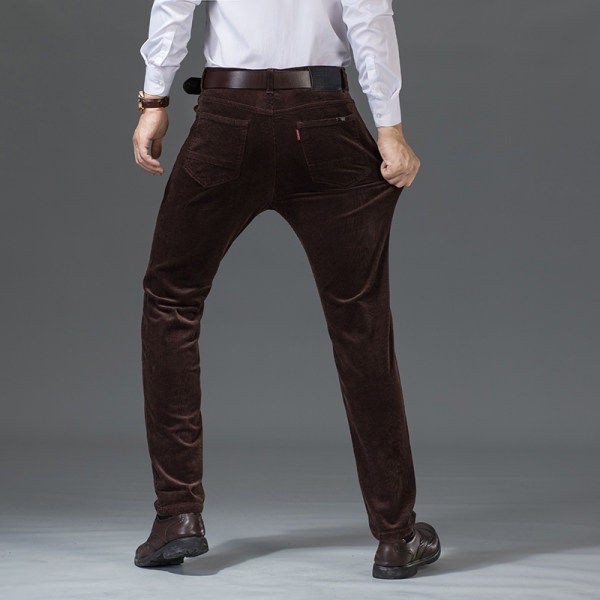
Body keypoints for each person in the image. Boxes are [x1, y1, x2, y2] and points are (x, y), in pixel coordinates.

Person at [131, 0, 440, 580]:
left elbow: (174, 4)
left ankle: (177, 515)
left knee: (172, 300)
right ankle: (396, 535)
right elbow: (369, 16)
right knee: (360, 319)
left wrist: (155, 100)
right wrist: (390, 128)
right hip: (322, 118)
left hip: (226, 118)